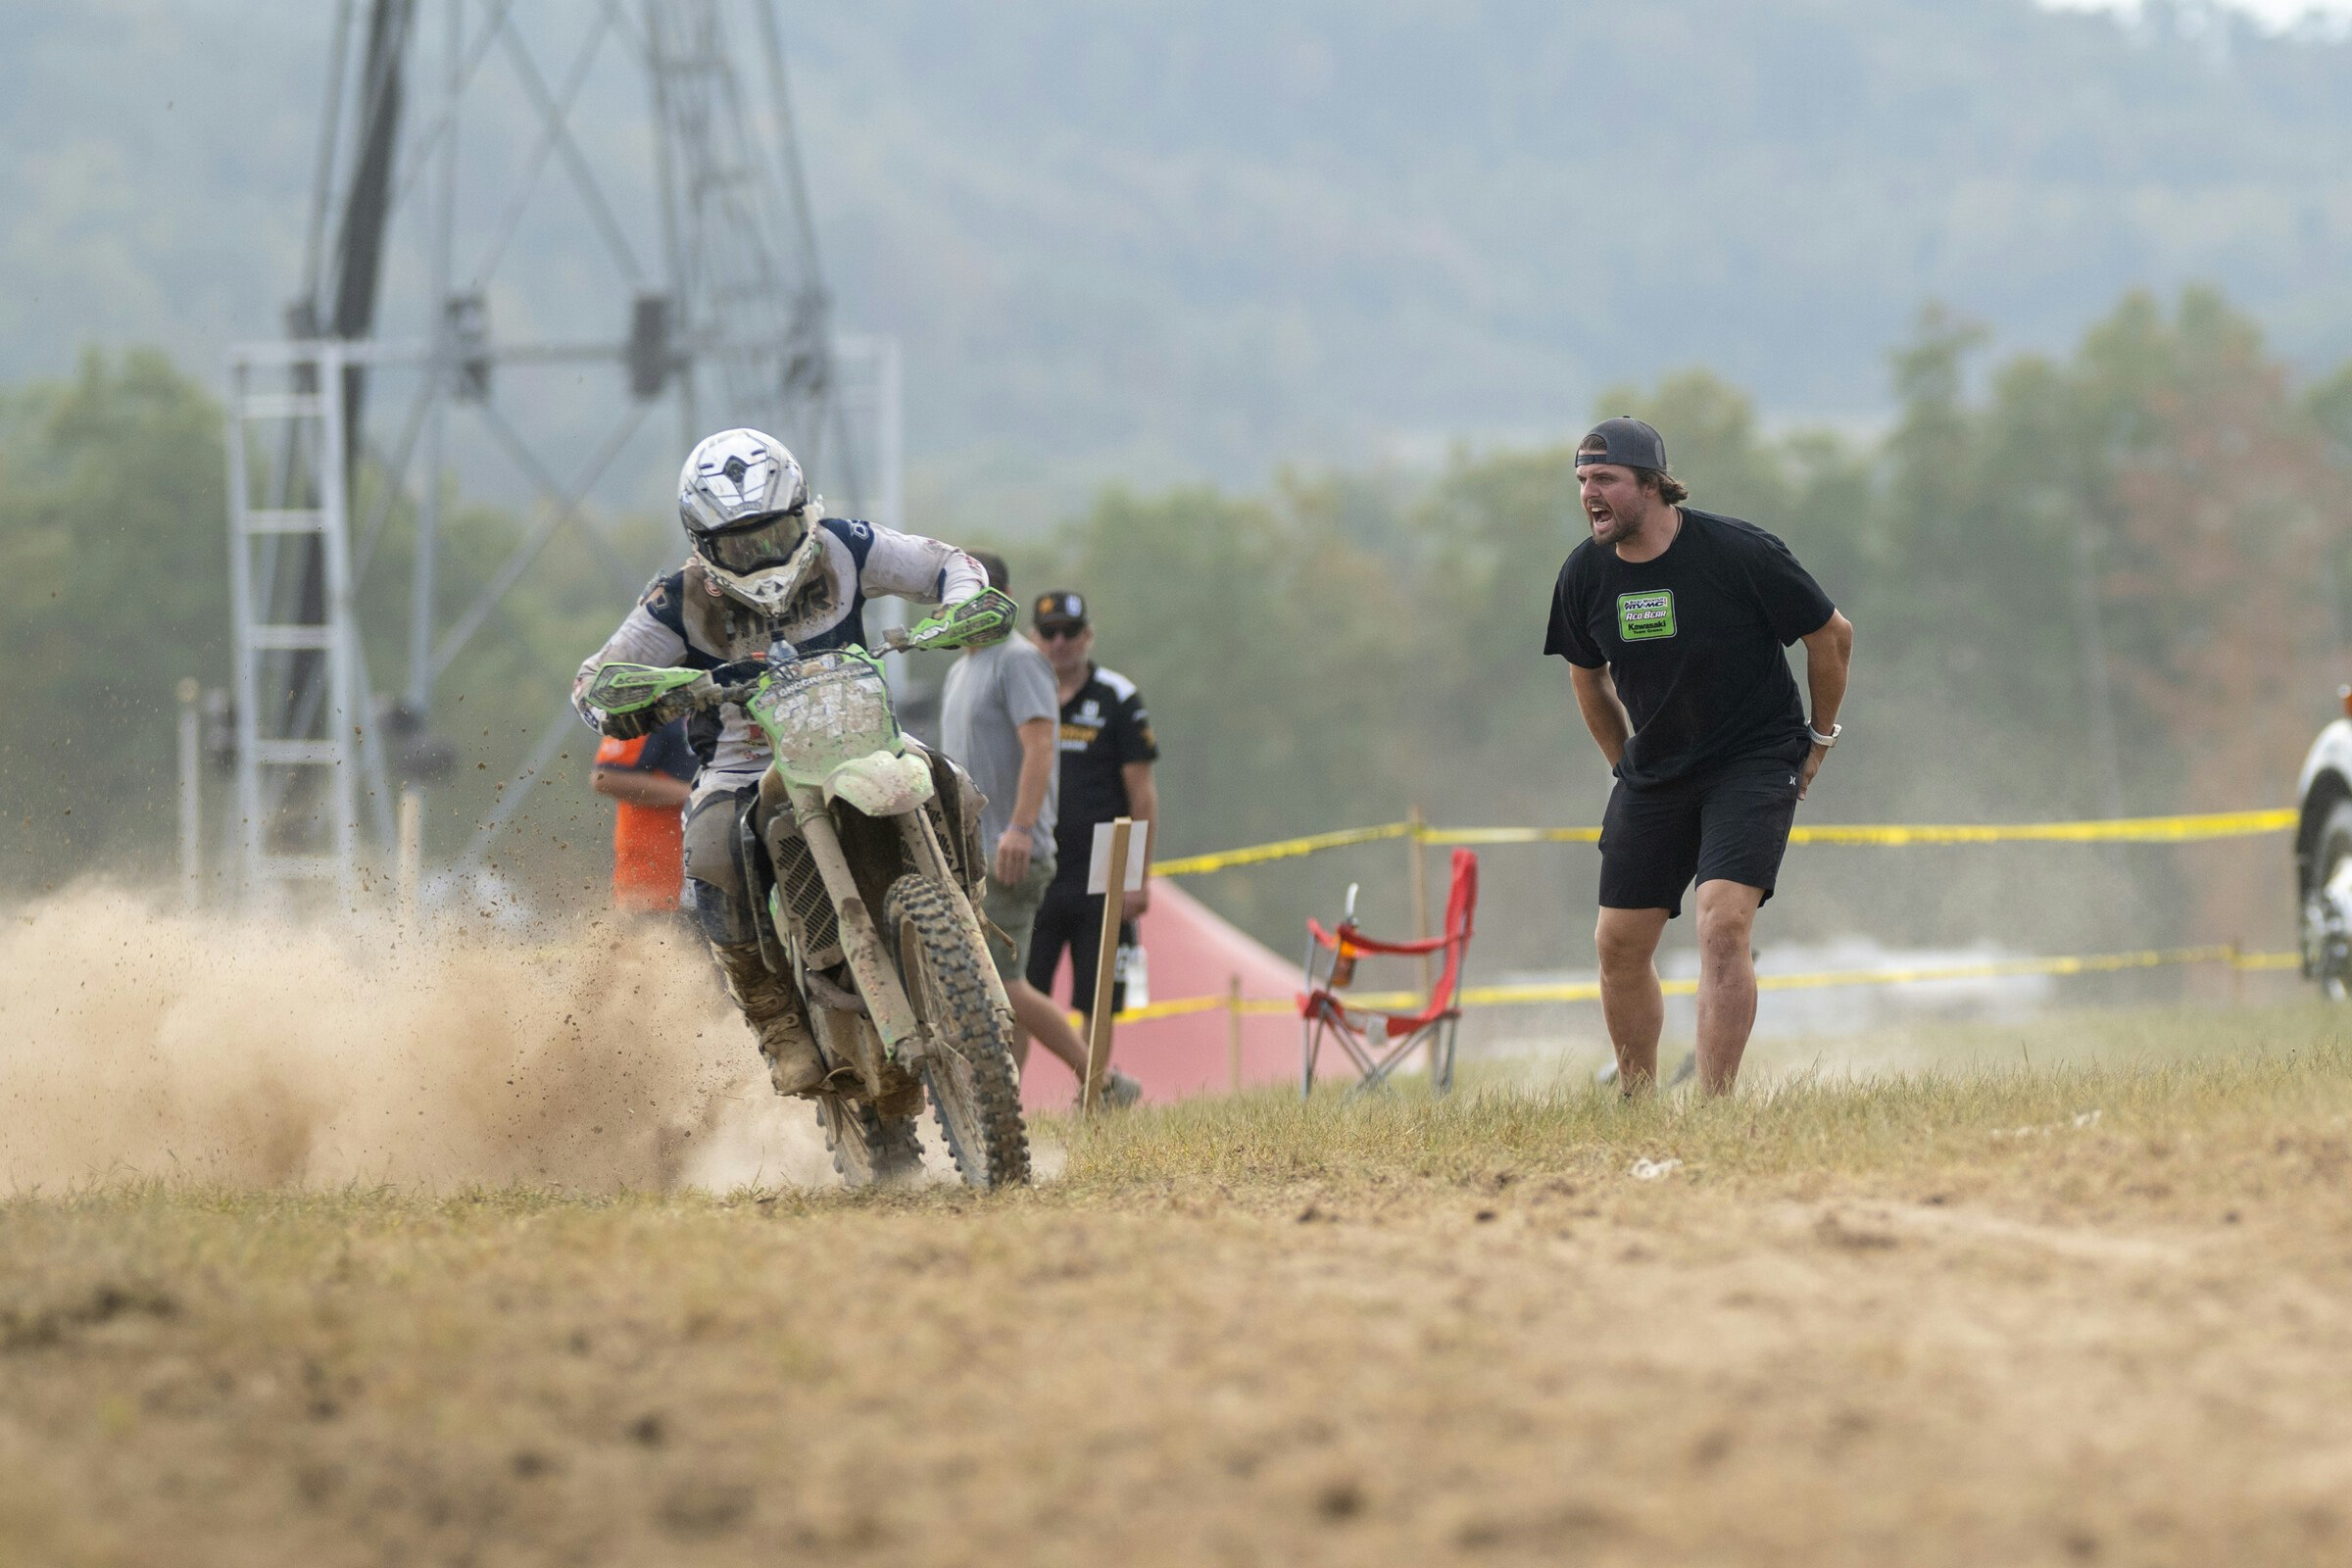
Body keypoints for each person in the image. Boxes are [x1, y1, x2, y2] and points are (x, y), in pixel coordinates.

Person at [573, 427, 995, 1099]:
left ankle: (965, 926)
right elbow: (598, 678)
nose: (761, 554)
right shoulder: (673, 599)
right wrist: (635, 699)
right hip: (744, 762)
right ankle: (775, 1022)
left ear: (801, 512)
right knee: (711, 848)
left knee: (951, 781)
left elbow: (944, 561)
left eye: (771, 535)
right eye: (740, 545)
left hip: (860, 735)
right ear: (704, 544)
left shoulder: (846, 546)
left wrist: (962, 601)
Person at [1544, 416, 1854, 1097]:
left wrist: (1820, 738)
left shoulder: (1738, 552)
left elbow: (1830, 636)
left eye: (1605, 479)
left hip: (1752, 757)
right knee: (1618, 945)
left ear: (1652, 486)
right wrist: (1621, 762)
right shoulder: (1585, 575)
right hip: (1655, 771)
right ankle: (1637, 1097)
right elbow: (1584, 673)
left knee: (1722, 922)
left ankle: (1716, 1107)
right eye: (1581, 481)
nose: (1588, 494)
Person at [940, 558, 1140, 1106]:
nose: (1060, 642)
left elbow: (1042, 748)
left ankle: (1102, 1082)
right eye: (958, 593)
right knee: (1002, 985)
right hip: (974, 855)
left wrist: (1021, 829)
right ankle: (1003, 1103)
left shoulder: (1023, 663)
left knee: (1005, 984)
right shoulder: (962, 668)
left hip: (1022, 852)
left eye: (1070, 633)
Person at [1024, 590, 1159, 1035]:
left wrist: (1137, 878)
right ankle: (1012, 1100)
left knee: (1100, 994)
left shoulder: (1117, 697)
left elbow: (1142, 795)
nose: (1059, 642)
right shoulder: (1021, 693)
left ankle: (1094, 1094)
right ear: (1033, 638)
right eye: (1049, 632)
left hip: (1104, 861)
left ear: (1088, 637)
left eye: (1070, 632)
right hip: (1037, 862)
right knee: (1023, 989)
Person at [590, 716, 698, 912]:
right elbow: (605, 777)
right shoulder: (649, 701)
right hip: (651, 884)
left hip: (711, 878)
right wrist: (696, 794)